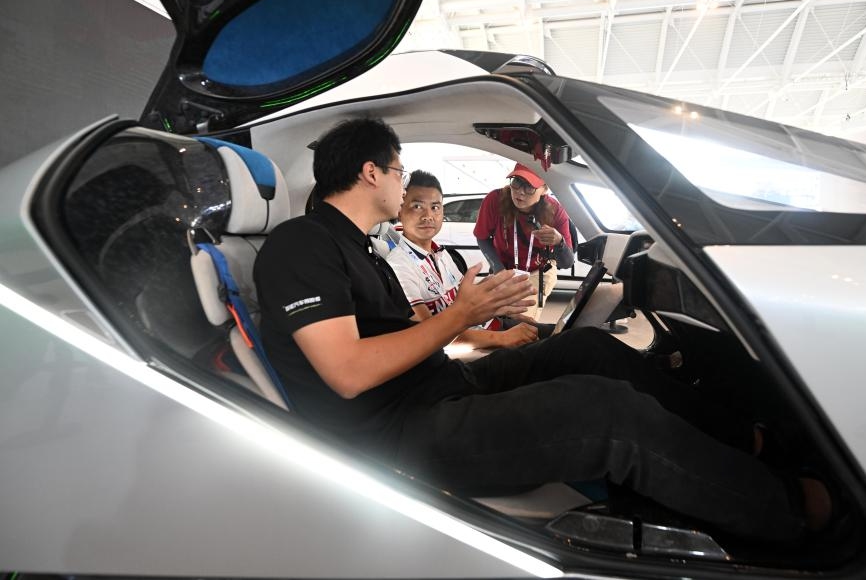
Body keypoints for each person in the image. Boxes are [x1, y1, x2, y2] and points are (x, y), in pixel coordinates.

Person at [254, 117, 830, 543]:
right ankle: (787, 512)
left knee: (589, 348)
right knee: (604, 411)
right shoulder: (301, 245)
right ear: (371, 172)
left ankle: (743, 440)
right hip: (401, 433)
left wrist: (480, 313)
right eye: (399, 172)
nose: (404, 188)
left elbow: (408, 331)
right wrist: (462, 315)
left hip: (437, 387)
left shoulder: (358, 247)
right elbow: (348, 372)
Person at [385, 169, 538, 350]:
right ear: (400, 210)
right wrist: (503, 338)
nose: (428, 216)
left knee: (558, 335)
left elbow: (464, 303)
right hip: (474, 346)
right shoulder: (399, 265)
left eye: (435, 207)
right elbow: (428, 335)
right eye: (417, 206)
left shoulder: (441, 254)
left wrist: (498, 306)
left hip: (488, 327)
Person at [473, 163, 574, 321]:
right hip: (504, 269)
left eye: (529, 186)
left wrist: (559, 242)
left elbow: (567, 262)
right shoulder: (495, 200)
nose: (520, 191)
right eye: (517, 182)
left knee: (519, 320)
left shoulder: (556, 210)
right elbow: (482, 237)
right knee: (491, 317)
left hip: (537, 271)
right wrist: (499, 270)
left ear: (544, 189)